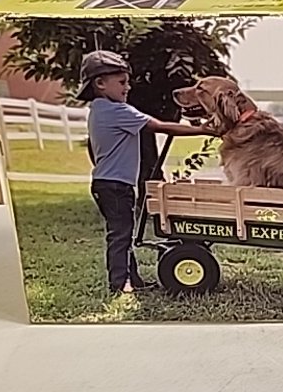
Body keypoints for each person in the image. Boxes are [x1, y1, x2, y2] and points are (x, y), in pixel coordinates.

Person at [76, 50, 216, 294]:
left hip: (107, 182)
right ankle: (119, 283)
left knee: (123, 233)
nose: (128, 87)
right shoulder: (117, 111)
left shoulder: (98, 110)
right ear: (100, 83)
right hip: (116, 185)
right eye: (122, 82)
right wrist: (204, 130)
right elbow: (160, 126)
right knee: (120, 235)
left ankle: (133, 280)